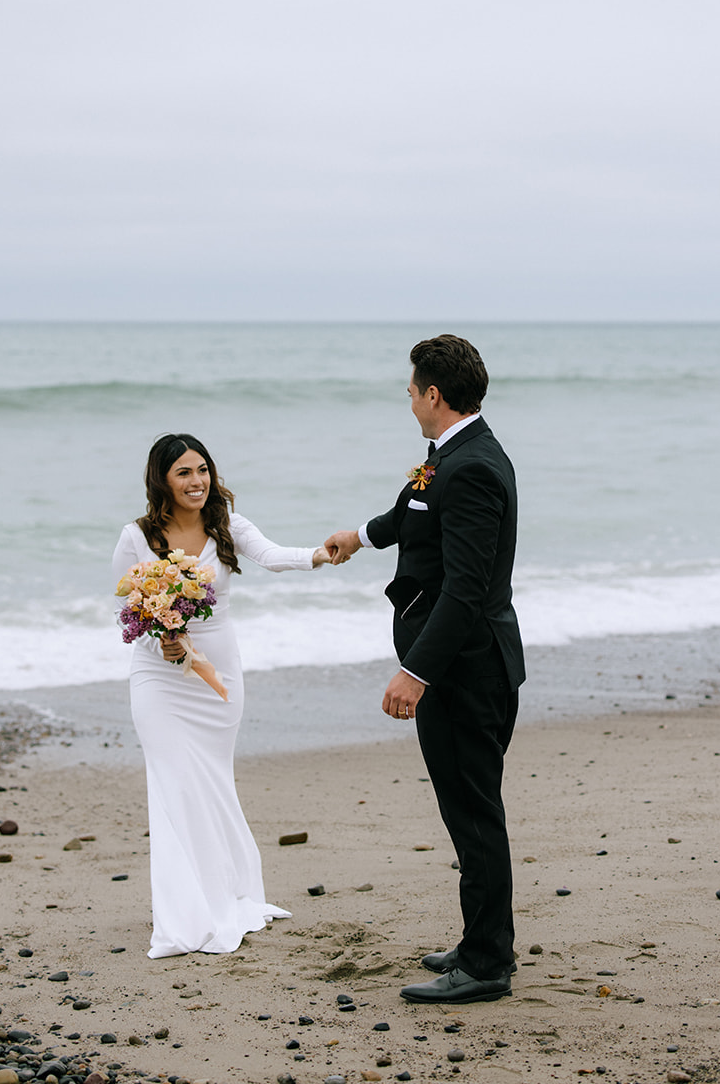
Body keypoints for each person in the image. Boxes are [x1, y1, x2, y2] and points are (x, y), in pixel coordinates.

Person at [326, 334, 524, 1005]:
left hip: (466, 673)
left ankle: (488, 963)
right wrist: (362, 535)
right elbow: (414, 509)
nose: (407, 399)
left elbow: (465, 590)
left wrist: (415, 672)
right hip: (459, 669)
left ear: (432, 394)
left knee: (473, 814)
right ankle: (478, 942)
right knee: (465, 809)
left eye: (411, 390)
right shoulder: (449, 455)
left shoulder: (471, 467)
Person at [112, 431, 332, 958]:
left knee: (210, 783)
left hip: (218, 679)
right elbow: (122, 607)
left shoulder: (227, 525)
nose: (197, 481)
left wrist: (320, 555)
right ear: (162, 479)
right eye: (184, 472)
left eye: (203, 470)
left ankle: (224, 895)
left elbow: (273, 555)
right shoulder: (137, 536)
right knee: (173, 785)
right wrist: (162, 634)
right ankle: (186, 911)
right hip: (158, 679)